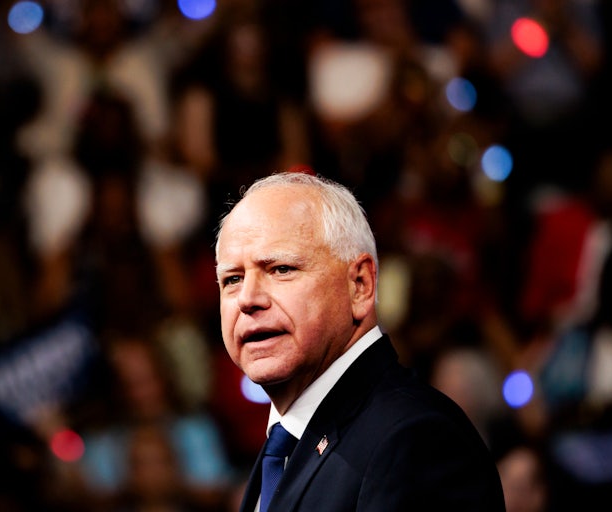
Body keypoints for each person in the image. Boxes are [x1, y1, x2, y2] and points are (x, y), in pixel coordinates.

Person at [214, 170, 505, 511]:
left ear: (360, 285)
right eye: (232, 278)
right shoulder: (284, 446)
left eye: (281, 269)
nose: (247, 298)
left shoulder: (416, 440)